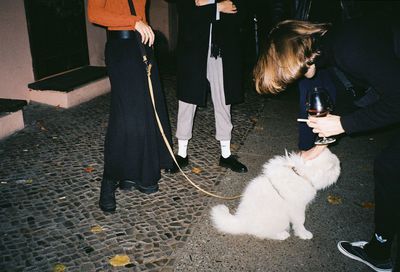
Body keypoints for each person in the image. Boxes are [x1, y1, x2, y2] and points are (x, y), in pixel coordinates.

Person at [253, 18, 399, 272]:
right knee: (389, 166)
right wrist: (319, 146)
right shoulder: (330, 51)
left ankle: (379, 249)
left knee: (390, 166)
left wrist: (345, 124)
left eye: (290, 76)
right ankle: (380, 250)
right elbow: (364, 99)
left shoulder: (349, 47)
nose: (295, 81)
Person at [88, 0, 173, 212]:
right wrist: (134, 22)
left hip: (141, 47)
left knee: (146, 113)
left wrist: (142, 28)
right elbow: (95, 14)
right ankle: (109, 180)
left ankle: (137, 174)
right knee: (124, 117)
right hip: (122, 50)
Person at [166, 0, 248, 174]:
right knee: (187, 101)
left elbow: (238, 10)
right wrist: (217, 7)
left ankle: (226, 155)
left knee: (223, 100)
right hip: (193, 47)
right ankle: (182, 154)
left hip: (221, 48)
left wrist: (206, 7)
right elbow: (186, 10)